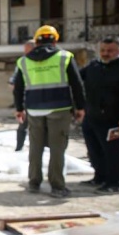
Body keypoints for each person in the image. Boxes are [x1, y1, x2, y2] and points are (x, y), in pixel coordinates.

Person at [14, 25, 86, 198]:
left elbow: (18, 88)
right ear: (55, 40)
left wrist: (19, 109)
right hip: (59, 109)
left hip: (34, 109)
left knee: (35, 147)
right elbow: (77, 84)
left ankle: (34, 182)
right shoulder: (65, 57)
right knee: (57, 148)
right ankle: (57, 186)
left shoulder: (23, 61)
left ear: (36, 41)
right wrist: (81, 107)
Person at [80, 36, 119, 194]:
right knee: (94, 150)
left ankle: (115, 183)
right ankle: (100, 177)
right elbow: (77, 79)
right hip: (92, 116)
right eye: (103, 50)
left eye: (110, 51)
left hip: (114, 119)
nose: (105, 53)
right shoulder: (94, 66)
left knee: (113, 152)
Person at [9, 40, 36, 151]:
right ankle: (19, 148)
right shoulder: (23, 62)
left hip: (39, 100)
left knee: (38, 128)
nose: (25, 52)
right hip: (26, 100)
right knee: (22, 126)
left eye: (27, 49)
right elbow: (15, 80)